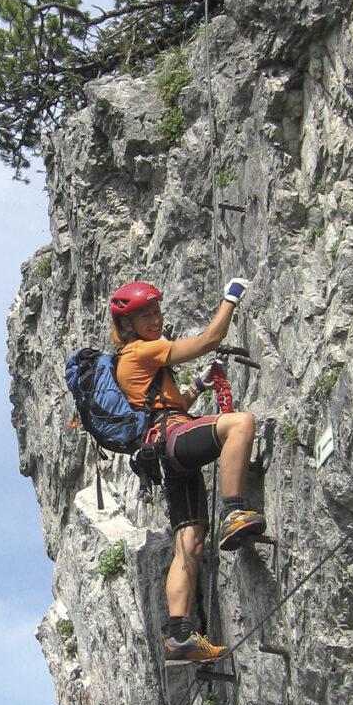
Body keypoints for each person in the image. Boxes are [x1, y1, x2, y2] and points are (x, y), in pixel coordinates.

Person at [109, 278, 265, 663]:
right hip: (173, 438)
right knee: (240, 424)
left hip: (164, 449)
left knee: (190, 543)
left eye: (157, 312)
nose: (155, 320)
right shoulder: (141, 352)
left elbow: (166, 404)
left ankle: (180, 634)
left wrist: (197, 384)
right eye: (145, 316)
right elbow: (210, 338)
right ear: (126, 326)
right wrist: (230, 296)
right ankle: (234, 511)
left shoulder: (134, 361)